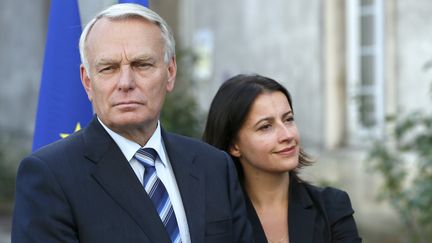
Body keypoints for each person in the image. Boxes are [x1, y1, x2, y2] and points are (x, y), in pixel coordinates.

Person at [12, 4, 254, 243]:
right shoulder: (50, 176)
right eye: (109, 68)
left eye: (142, 65)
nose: (126, 82)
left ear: (170, 73)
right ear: (87, 82)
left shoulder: (214, 166)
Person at [203, 74, 362, 243]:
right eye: (265, 127)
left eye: (288, 119)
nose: (287, 135)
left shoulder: (332, 207)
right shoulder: (214, 218)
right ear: (234, 146)